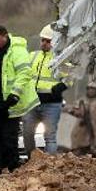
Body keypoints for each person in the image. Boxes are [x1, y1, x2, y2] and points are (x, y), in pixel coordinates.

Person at [0, 25, 39, 174]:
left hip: (10, 103)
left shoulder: (17, 50)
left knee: (9, 137)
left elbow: (25, 73)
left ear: (5, 36)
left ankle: (13, 167)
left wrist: (14, 94)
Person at [23, 25, 67, 155]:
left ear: (55, 42)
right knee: (27, 133)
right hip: (33, 102)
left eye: (48, 41)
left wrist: (60, 87)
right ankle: (32, 161)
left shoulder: (60, 58)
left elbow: (70, 77)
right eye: (43, 40)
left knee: (49, 137)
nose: (44, 43)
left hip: (52, 104)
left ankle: (50, 167)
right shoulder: (33, 56)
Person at [64, 83, 96, 157]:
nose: (91, 91)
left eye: (93, 89)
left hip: (95, 132)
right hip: (81, 132)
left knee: (95, 154)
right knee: (78, 153)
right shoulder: (81, 101)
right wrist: (77, 112)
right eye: (89, 89)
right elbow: (73, 110)